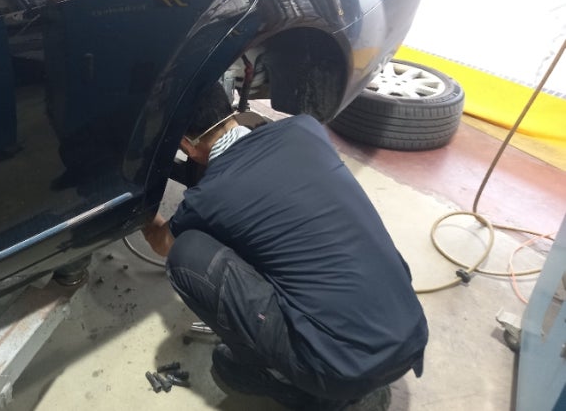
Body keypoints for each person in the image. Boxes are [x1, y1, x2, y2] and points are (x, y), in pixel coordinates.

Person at [142, 82, 428, 410]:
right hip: (409, 331)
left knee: (186, 253)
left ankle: (287, 382)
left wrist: (140, 208)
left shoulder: (208, 198)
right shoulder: (304, 129)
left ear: (185, 145)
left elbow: (162, 243)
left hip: (341, 368)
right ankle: (354, 369)